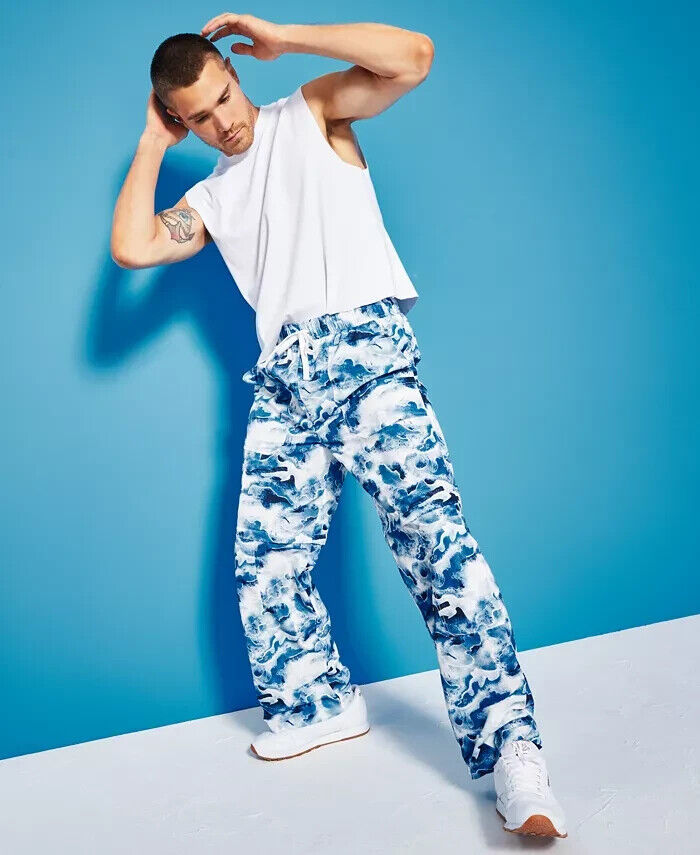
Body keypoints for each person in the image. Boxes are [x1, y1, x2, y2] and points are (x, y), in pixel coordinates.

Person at [110, 14, 568, 840]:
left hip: (367, 354)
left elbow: (416, 57)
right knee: (266, 560)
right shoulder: (208, 196)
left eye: (225, 97)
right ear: (181, 119)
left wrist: (286, 36)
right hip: (284, 378)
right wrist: (150, 142)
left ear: (236, 76)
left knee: (440, 552)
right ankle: (317, 702)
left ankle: (513, 750)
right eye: (199, 116)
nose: (224, 122)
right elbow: (135, 248)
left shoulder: (311, 112)